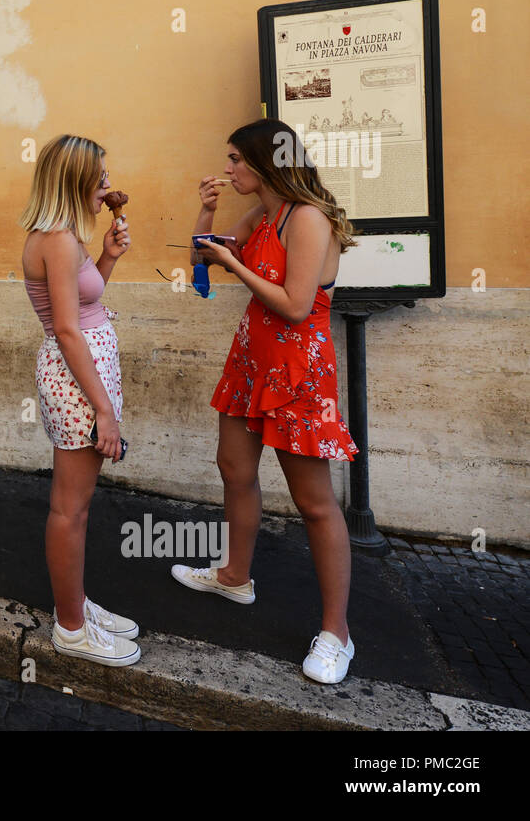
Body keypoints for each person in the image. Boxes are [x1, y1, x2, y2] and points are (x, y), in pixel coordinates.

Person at [182, 118, 360, 685]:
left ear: (265, 163)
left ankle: (338, 634)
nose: (228, 169)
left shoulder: (307, 219)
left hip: (297, 372)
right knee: (234, 468)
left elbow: (296, 305)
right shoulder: (266, 211)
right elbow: (205, 262)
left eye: (235, 160)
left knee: (314, 502)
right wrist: (207, 216)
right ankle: (235, 576)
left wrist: (233, 265)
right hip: (252, 360)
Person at [20, 135, 141, 667]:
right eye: (100, 179)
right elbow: (68, 330)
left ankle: (77, 606)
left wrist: (108, 257)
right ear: (73, 180)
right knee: (69, 509)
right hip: (77, 379)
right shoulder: (58, 240)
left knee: (78, 504)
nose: (109, 188)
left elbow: (83, 304)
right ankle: (70, 628)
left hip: (83, 372)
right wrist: (105, 411)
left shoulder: (65, 237)